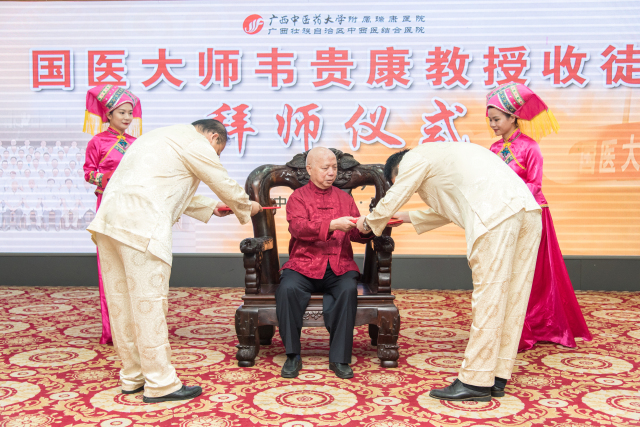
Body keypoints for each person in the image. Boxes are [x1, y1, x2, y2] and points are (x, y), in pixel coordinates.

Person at [87, 118, 262, 403]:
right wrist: (246, 207)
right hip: (141, 227)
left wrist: (211, 207)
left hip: (109, 223)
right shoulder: (196, 142)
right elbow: (220, 180)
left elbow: (161, 187)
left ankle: (133, 376)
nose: (216, 156)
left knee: (122, 305)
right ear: (214, 138)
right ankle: (161, 383)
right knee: (148, 304)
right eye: (218, 151)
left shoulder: (160, 137)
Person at [357, 142, 542, 402]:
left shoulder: (414, 158)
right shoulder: (446, 156)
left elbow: (399, 192)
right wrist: (399, 217)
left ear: (397, 169)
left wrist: (368, 222)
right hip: (528, 212)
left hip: (494, 215)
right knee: (513, 297)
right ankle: (497, 376)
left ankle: (475, 381)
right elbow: (446, 211)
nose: (412, 188)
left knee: (489, 297)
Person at [485, 83, 592, 351]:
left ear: (512, 117)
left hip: (532, 214)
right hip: (504, 216)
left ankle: (537, 323)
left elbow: (535, 184)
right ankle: (509, 324)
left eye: (497, 119)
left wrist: (509, 195)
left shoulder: (530, 147)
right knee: (506, 270)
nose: (493, 125)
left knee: (534, 272)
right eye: (490, 120)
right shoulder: (493, 148)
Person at [276, 147, 372, 380]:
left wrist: (366, 227)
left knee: (347, 289)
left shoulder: (345, 198)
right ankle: (292, 355)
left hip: (339, 265)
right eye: (325, 168)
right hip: (304, 264)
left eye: (334, 168)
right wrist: (331, 225)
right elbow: (298, 228)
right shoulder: (298, 197)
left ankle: (339, 358)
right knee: (287, 288)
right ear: (309, 169)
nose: (331, 173)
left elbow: (356, 235)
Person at [83, 84, 143, 345]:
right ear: (108, 114)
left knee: (134, 263)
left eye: (130, 113)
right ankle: (112, 330)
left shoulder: (137, 144)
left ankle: (138, 327)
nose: (128, 118)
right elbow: (88, 173)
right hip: (108, 206)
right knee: (109, 266)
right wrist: (106, 178)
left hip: (133, 207)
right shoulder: (97, 142)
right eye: (122, 113)